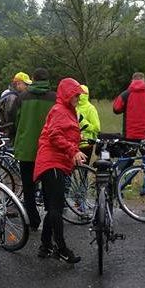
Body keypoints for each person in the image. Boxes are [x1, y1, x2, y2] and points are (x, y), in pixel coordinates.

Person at [34, 79, 88, 263]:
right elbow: (55, 135)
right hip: (52, 162)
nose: (78, 97)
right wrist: (73, 151)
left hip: (54, 162)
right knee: (56, 208)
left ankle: (45, 246)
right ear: (66, 94)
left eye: (79, 94)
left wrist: (77, 147)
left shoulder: (67, 111)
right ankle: (62, 248)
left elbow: (66, 135)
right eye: (75, 94)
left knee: (52, 207)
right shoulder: (60, 111)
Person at [11, 68, 56, 230]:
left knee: (28, 188)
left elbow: (14, 120)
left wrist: (15, 138)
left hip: (26, 149)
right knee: (49, 187)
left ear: (33, 79)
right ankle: (50, 220)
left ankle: (34, 220)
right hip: (48, 150)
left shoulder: (22, 98)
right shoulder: (55, 98)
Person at [112, 72, 145, 141]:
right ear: (144, 80)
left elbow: (116, 109)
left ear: (132, 81)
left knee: (129, 152)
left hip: (129, 135)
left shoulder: (125, 94)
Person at [0, 72, 32, 138]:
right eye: (25, 84)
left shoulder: (7, 93)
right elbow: (11, 117)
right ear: (18, 84)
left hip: (1, 130)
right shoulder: (12, 97)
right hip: (7, 132)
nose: (27, 87)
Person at [76, 84, 100, 163]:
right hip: (74, 143)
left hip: (86, 144)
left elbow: (97, 128)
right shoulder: (74, 106)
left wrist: (83, 123)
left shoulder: (91, 108)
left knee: (84, 170)